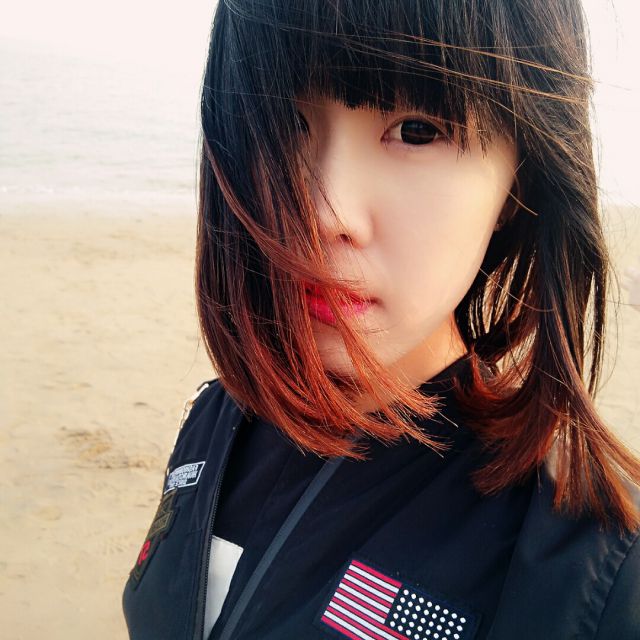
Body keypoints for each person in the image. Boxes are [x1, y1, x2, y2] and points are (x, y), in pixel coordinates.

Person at [122, 0, 640, 638]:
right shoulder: (214, 419)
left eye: (417, 130)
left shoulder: (592, 568)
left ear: (519, 183)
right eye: (284, 121)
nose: (322, 214)